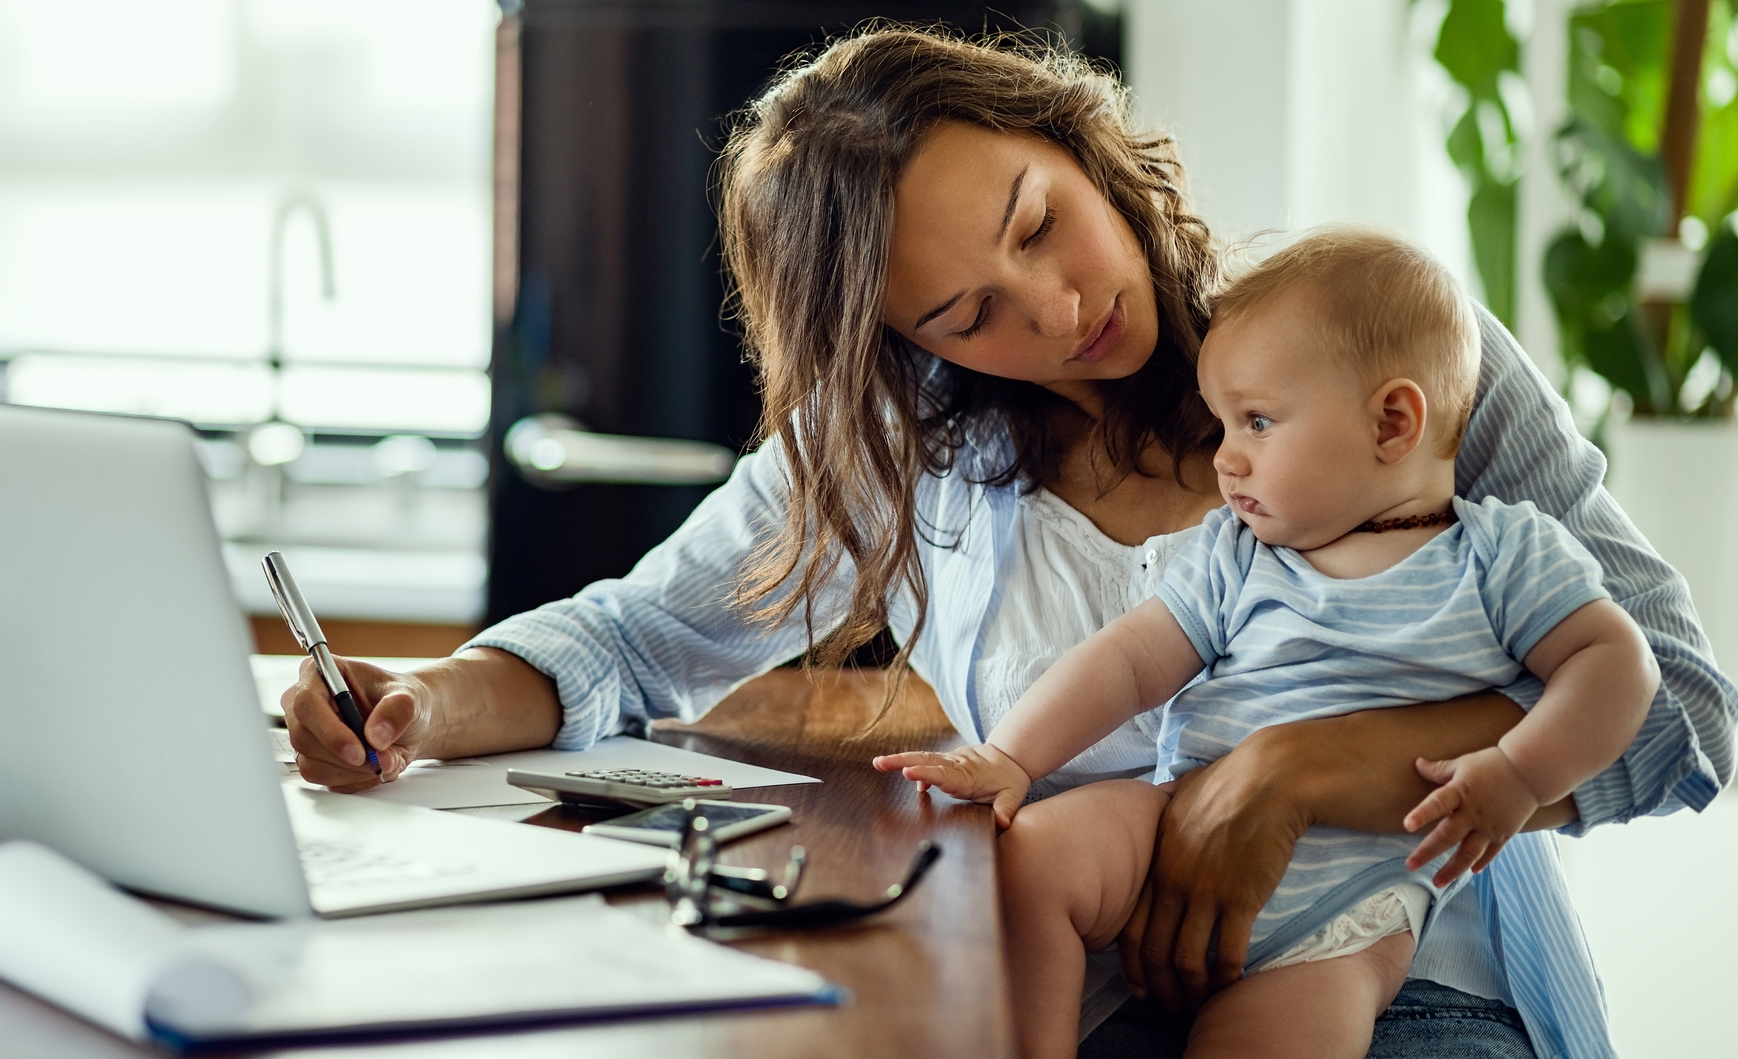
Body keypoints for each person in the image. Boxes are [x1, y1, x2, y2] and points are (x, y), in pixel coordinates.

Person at [281, 27, 1731, 1059]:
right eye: (962, 313)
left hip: (1401, 980)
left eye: (1040, 224)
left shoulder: (1381, 356)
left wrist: (1284, 771)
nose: (1048, 310)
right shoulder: (908, 442)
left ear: (1073, 141)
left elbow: (1681, 709)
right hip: (1081, 992)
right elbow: (624, 637)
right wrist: (416, 705)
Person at [873, 229, 1660, 1059]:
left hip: (1346, 915)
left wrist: (1521, 773)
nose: (1226, 458)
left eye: (1256, 421)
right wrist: (1013, 758)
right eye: (1222, 424)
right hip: (1181, 822)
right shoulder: (1239, 554)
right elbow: (1130, 660)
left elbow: (1618, 663)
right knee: (1032, 859)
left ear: (1393, 422)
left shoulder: (1501, 555)